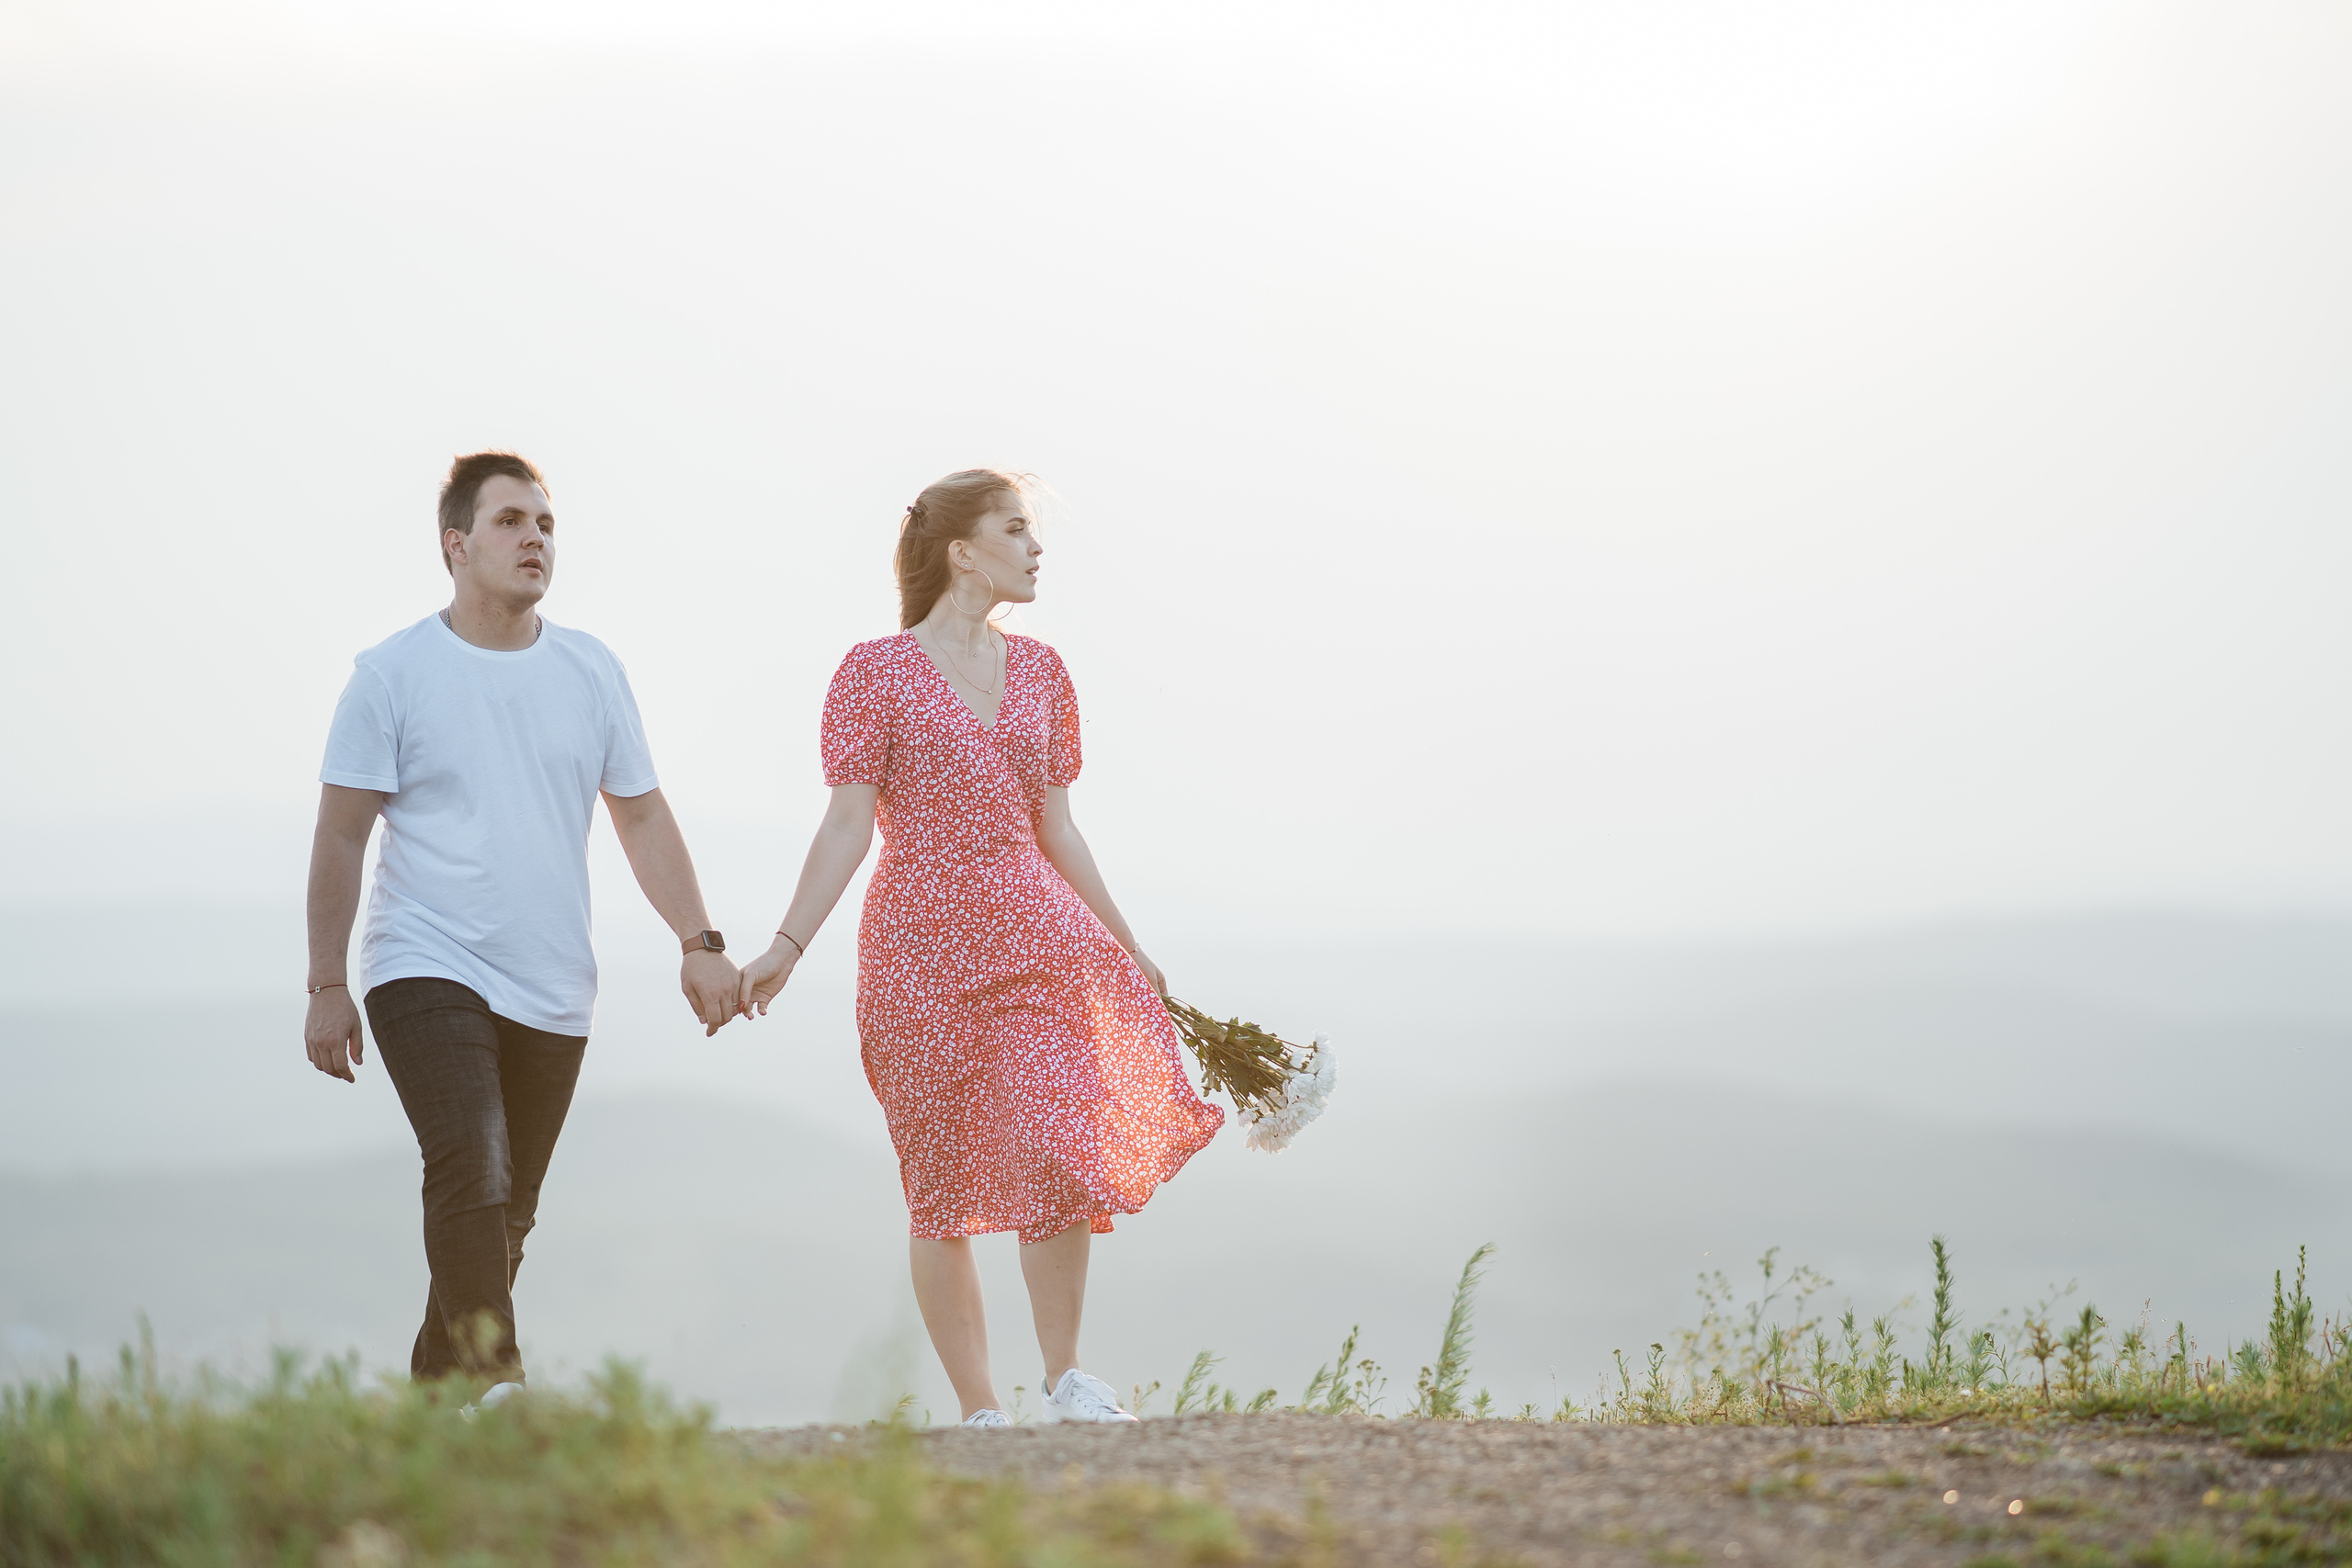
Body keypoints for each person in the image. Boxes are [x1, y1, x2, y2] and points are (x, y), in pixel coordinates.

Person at [737, 469, 1224, 1428]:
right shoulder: (872, 672)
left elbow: (1059, 827)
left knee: (1055, 1141)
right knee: (939, 1182)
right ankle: (979, 1411)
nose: (1036, 548)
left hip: (1037, 938)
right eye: (1017, 529)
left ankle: (1068, 1374)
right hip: (917, 953)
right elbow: (846, 825)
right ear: (962, 550)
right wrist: (786, 946)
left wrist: (1128, 946)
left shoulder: (1043, 672)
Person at [301, 451, 740, 1402]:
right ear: (456, 545)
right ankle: (499, 1384)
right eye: (510, 521)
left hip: (552, 981)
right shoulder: (392, 675)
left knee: (504, 1215)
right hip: (424, 960)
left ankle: (437, 1409)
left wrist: (698, 943)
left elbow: (643, 815)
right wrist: (327, 984)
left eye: (545, 523)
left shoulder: (590, 670)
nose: (534, 537)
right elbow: (340, 837)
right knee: (470, 1160)